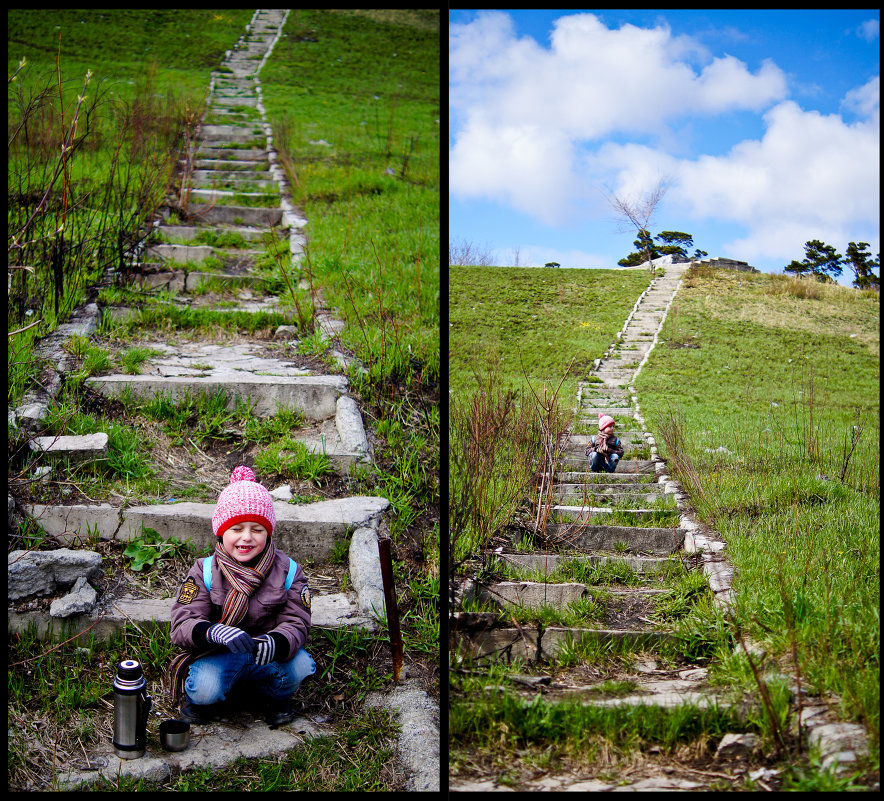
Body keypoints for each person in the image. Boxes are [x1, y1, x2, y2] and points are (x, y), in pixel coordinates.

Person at [169, 466, 315, 727]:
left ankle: (273, 696)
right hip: (220, 653)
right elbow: (182, 622)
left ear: (268, 533)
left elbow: (298, 621)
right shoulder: (204, 570)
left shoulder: (289, 570)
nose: (246, 538)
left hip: (266, 656)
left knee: (301, 665)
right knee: (204, 689)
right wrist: (212, 632)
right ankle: (207, 700)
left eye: (257, 529)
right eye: (236, 528)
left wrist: (278, 642)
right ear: (221, 531)